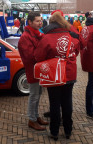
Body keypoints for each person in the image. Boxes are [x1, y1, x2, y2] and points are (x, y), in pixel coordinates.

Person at [34, 11, 80, 141]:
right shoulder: (72, 36)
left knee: (54, 103)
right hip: (69, 74)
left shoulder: (46, 38)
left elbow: (38, 56)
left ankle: (54, 132)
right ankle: (68, 130)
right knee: (67, 102)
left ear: (51, 23)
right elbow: (76, 52)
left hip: (54, 74)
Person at [17, 12, 48, 131]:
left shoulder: (38, 34)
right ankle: (31, 119)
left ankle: (35, 116)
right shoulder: (26, 37)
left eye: (40, 20)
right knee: (34, 96)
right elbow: (31, 56)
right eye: (37, 21)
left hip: (39, 70)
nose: (40, 23)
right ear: (30, 22)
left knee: (38, 94)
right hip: (33, 71)